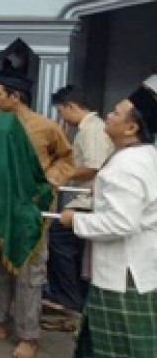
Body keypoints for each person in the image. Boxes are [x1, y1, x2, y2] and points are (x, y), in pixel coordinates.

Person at [0, 70, 74, 358]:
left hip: (31, 207)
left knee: (30, 268)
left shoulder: (45, 126)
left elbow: (67, 157)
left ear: (15, 97)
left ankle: (28, 335)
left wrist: (50, 178)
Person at [61, 75, 157, 358]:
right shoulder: (146, 155)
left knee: (124, 351)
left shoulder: (126, 165)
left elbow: (121, 222)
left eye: (114, 113)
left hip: (123, 275)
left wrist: (75, 221)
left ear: (131, 127)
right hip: (138, 268)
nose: (107, 117)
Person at [45, 85, 114, 322]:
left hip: (89, 199)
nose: (60, 117)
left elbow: (93, 168)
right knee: (73, 249)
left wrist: (61, 173)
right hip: (87, 197)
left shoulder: (91, 131)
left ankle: (67, 298)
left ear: (71, 106)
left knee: (58, 240)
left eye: (61, 112)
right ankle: (71, 297)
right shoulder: (88, 129)